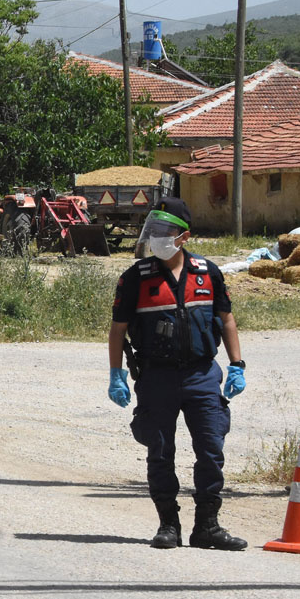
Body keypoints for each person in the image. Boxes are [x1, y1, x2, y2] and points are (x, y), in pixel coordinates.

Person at [107, 197, 247, 551]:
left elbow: (226, 319)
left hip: (202, 375)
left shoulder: (208, 272)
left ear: (183, 236)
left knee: (212, 448)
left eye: (163, 231)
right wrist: (116, 374)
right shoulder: (136, 277)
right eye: (151, 230)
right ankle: (168, 523)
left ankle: (207, 527)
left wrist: (236, 364)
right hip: (157, 378)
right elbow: (117, 329)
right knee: (160, 450)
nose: (155, 238)